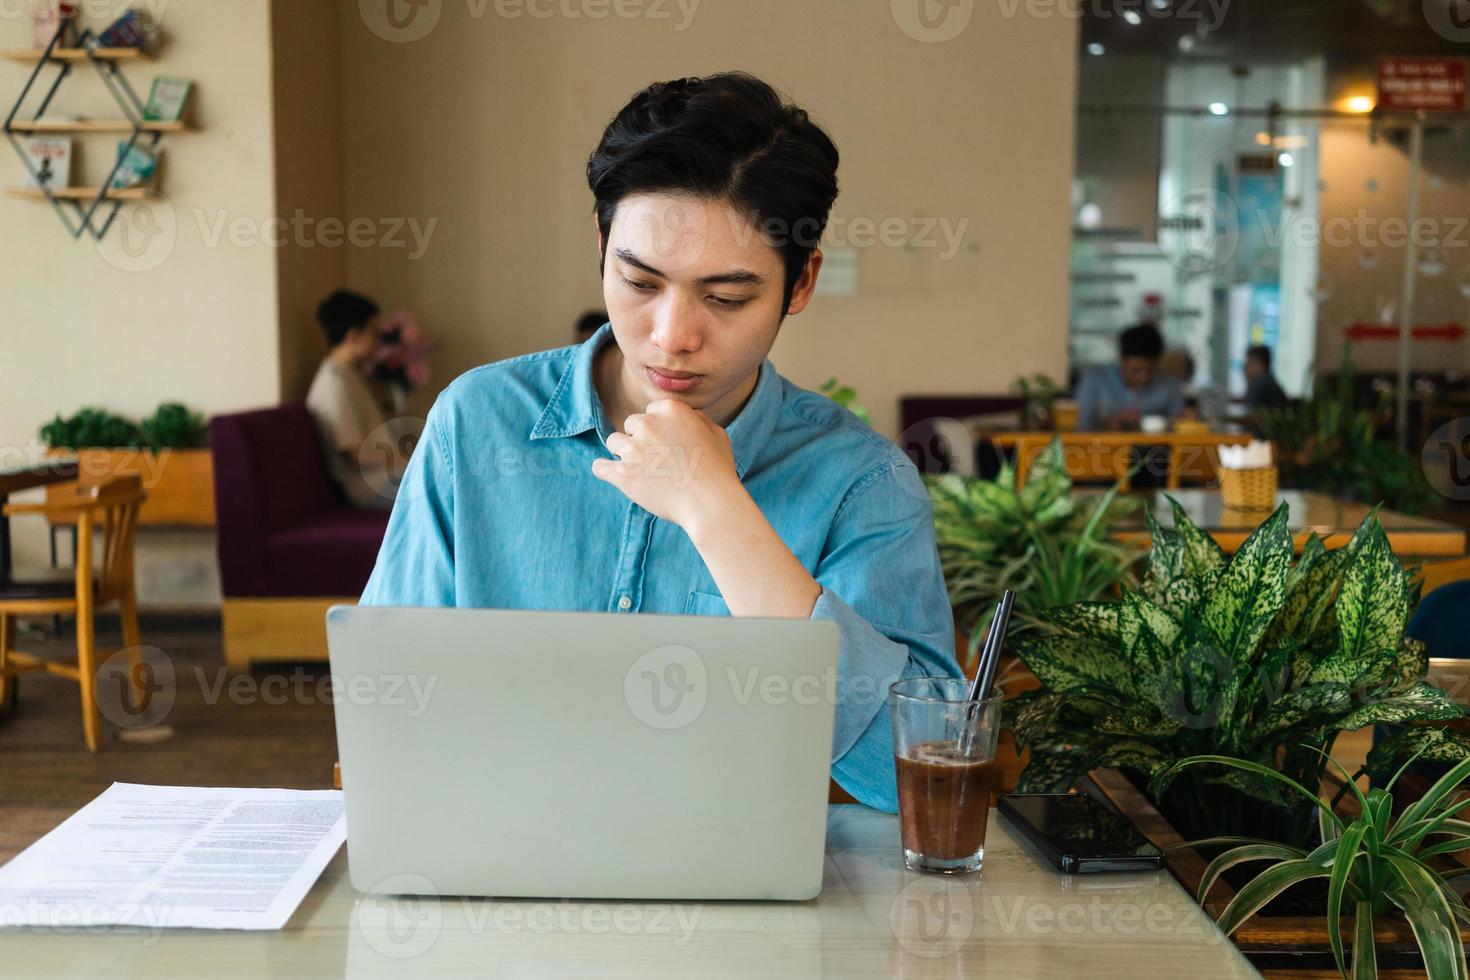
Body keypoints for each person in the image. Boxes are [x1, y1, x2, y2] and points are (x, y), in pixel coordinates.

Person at [360, 72, 960, 811]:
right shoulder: (478, 421)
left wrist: (720, 516)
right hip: (496, 865)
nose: (673, 337)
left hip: (751, 898)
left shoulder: (861, 482)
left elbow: (922, 776)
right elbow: (386, 700)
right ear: (602, 245)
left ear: (800, 284)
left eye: (726, 298)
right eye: (640, 283)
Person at [305, 289, 404, 511]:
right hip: (369, 486)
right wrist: (407, 461)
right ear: (353, 336)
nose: (378, 340)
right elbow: (356, 455)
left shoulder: (349, 375)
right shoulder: (334, 383)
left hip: (387, 474)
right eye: (373, 332)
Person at [1075, 322, 1184, 431]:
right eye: (1136, 370)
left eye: (1151, 370)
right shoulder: (1095, 380)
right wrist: (1109, 422)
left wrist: (1186, 421)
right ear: (1121, 360)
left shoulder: (1169, 384)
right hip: (1104, 446)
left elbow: (1179, 426)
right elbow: (1080, 428)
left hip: (1156, 447)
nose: (1144, 376)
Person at [1243, 344, 1290, 414]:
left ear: (1261, 365)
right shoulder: (1268, 380)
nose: (1245, 367)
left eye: (1249, 362)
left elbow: (1251, 417)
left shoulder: (1259, 383)